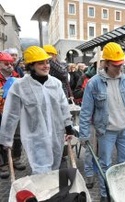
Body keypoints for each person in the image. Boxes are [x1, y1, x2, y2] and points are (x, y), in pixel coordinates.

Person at [0, 46, 75, 174]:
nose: (46, 66)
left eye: (47, 62)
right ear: (31, 66)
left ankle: (54, 193)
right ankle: (43, 193)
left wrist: (68, 126)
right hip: (35, 138)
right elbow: (11, 114)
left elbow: (63, 106)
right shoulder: (20, 86)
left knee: (54, 171)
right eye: (41, 63)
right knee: (41, 172)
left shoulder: (55, 84)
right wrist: (6, 139)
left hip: (56, 135)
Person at [79, 42, 125, 202]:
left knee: (124, 163)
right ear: (106, 63)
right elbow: (85, 111)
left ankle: (121, 193)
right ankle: (106, 195)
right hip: (106, 131)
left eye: (121, 65)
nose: (119, 68)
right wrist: (84, 135)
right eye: (115, 65)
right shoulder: (94, 83)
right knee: (105, 164)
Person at [0, 52, 26, 179]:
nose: (9, 65)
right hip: (1, 112)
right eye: (6, 63)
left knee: (17, 136)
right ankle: (3, 164)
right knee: (2, 138)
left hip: (16, 111)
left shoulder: (17, 75)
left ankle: (16, 158)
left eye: (11, 63)